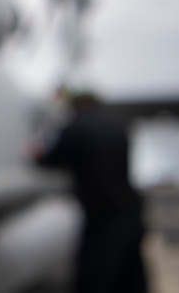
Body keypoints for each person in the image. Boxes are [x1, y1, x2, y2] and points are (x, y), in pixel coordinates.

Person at [32, 87, 148, 293]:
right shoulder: (116, 125)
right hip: (131, 211)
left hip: (102, 218)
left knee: (94, 280)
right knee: (132, 279)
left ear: (76, 105)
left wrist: (35, 154)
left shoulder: (76, 128)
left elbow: (49, 160)